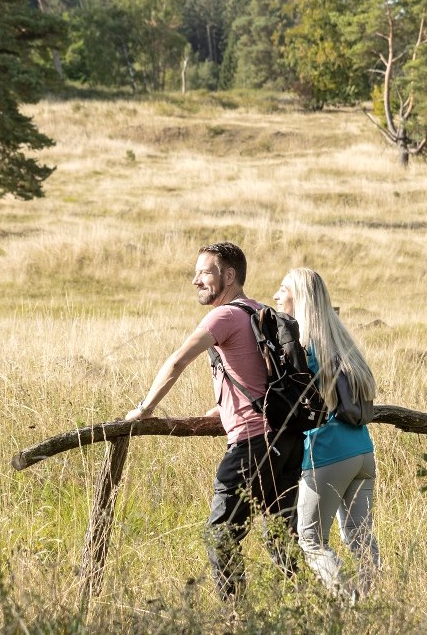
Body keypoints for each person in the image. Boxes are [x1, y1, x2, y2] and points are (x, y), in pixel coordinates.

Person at [123, 241, 302, 598]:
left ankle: (235, 616)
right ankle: (302, 611)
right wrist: (223, 408)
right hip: (286, 439)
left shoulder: (223, 316)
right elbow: (260, 375)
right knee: (282, 536)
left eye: (205, 272)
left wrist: (144, 409)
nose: (196, 281)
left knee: (220, 535)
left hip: (252, 443)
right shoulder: (260, 312)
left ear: (229, 275)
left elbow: (177, 361)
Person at [273, 268, 380, 601]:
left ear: (298, 298)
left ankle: (348, 606)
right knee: (359, 538)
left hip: (326, 452)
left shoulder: (303, 348)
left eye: (282, 289)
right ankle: (371, 603)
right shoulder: (343, 343)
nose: (276, 296)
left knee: (311, 540)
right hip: (362, 451)